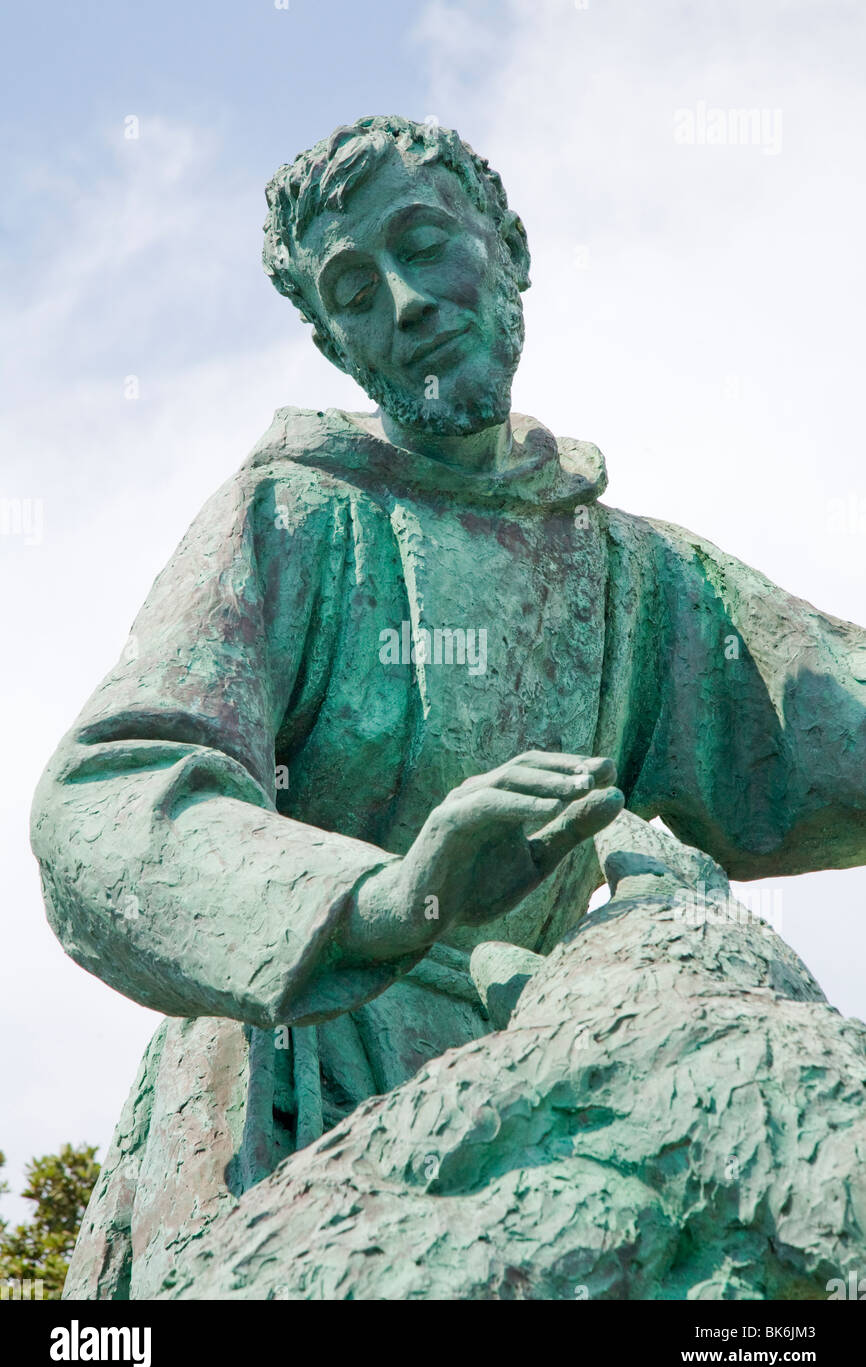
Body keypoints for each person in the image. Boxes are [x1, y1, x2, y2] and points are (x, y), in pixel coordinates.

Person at [32, 115, 866, 1299]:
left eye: (424, 244)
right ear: (330, 343)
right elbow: (106, 804)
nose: (407, 303)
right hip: (294, 1112)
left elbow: (834, 716)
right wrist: (382, 892)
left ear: (508, 247)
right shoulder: (294, 524)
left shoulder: (636, 577)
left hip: (565, 1094)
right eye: (355, 293)